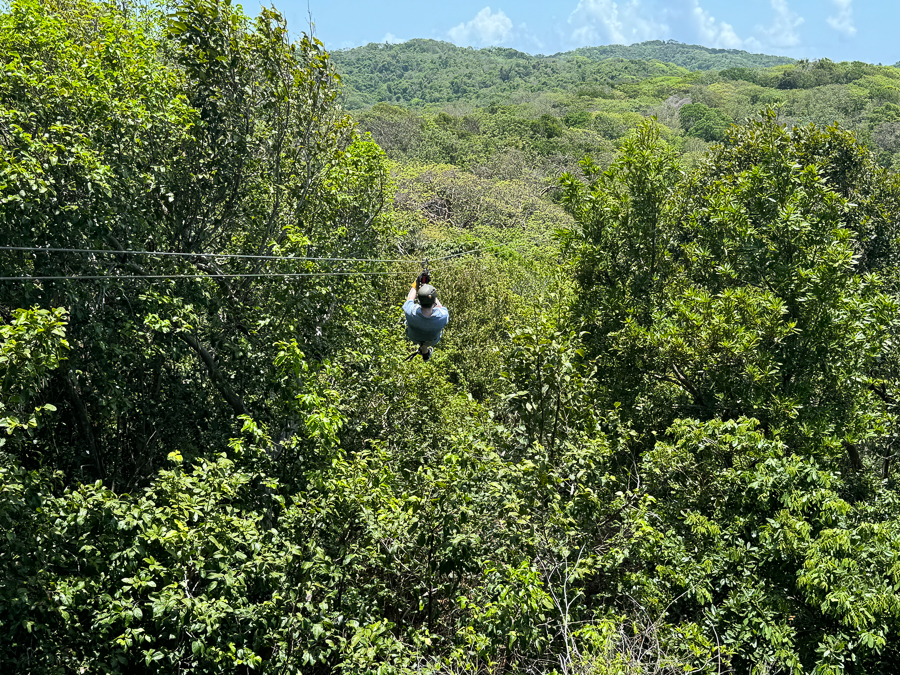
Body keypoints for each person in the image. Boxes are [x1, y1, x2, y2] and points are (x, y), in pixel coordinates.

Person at [403, 279, 449, 362]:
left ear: (419, 301)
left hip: (414, 337)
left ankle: (424, 348)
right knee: (428, 334)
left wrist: (415, 285)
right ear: (433, 301)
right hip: (432, 340)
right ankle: (425, 348)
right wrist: (428, 292)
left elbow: (410, 299)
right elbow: (439, 307)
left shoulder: (410, 312)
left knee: (411, 323)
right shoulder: (442, 316)